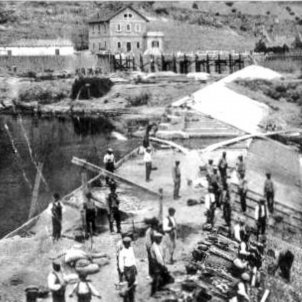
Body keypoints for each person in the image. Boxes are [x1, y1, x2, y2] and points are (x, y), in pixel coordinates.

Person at [119, 237, 137, 302]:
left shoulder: (131, 249)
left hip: (132, 267)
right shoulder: (122, 251)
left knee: (132, 282)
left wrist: (135, 267)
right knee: (127, 283)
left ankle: (131, 297)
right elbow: (121, 262)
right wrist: (122, 270)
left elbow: (133, 258)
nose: (128, 244)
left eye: (129, 243)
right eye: (126, 243)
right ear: (124, 243)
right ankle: (126, 298)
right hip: (126, 268)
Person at [150, 232, 167, 297]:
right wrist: (163, 265)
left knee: (161, 275)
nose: (161, 239)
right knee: (156, 277)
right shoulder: (154, 246)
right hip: (156, 263)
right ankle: (153, 292)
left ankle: (160, 288)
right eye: (159, 238)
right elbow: (158, 256)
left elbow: (162, 253)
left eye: (161, 238)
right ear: (156, 239)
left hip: (159, 262)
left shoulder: (159, 244)